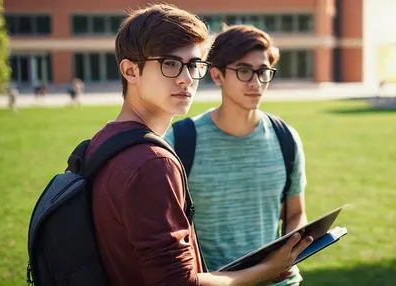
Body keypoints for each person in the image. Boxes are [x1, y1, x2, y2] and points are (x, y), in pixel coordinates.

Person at [85, 4, 312, 286]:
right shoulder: (154, 161)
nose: (186, 78)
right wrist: (267, 271)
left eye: (193, 65)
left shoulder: (102, 141)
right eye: (169, 63)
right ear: (131, 71)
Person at [165, 25, 309, 285]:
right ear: (217, 75)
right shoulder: (181, 140)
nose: (255, 83)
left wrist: (292, 249)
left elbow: (295, 213)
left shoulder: (286, 138)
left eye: (263, 72)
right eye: (244, 71)